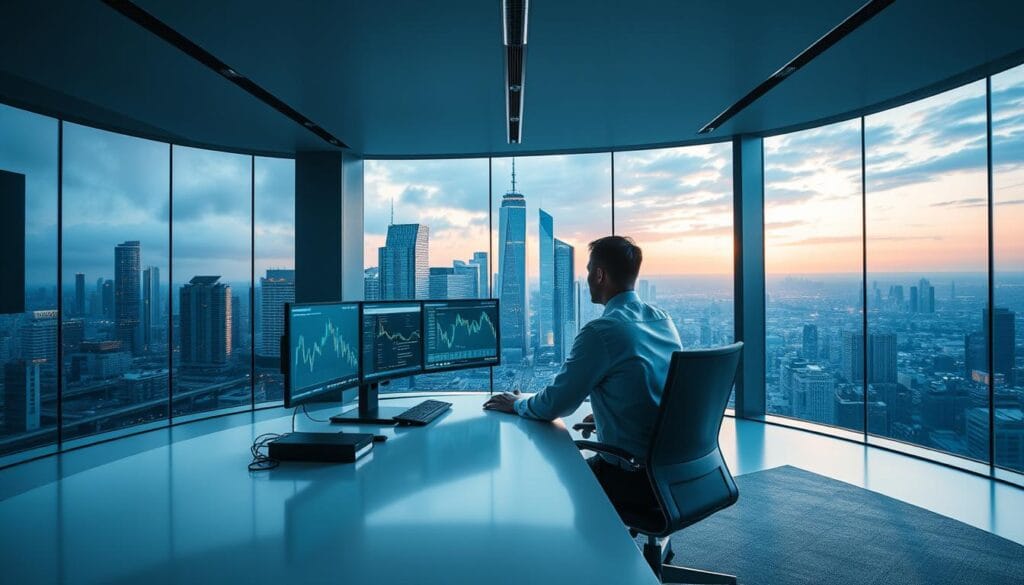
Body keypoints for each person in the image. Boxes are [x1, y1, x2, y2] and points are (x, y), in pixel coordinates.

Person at [483, 235, 682, 509]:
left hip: (632, 476)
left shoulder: (601, 332)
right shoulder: (663, 320)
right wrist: (609, 417)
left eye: (589, 270)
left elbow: (555, 404)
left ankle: (588, 548)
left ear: (600, 275)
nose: (587, 277)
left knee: (546, 486)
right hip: (672, 468)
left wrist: (517, 403)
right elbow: (656, 386)